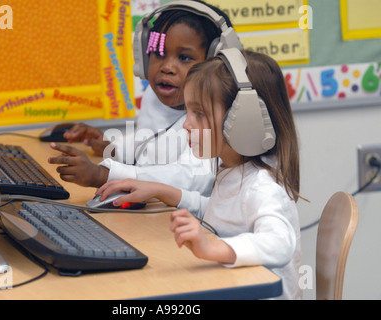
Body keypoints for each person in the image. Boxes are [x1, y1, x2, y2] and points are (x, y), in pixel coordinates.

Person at [97, 49, 304, 299]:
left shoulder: (263, 187)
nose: (187, 124)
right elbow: (222, 213)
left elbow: (280, 243)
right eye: (189, 112)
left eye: (200, 114)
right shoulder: (233, 170)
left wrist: (211, 247)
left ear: (242, 121)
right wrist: (162, 191)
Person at [47, 1, 239, 198]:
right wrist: (112, 147)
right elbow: (150, 145)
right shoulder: (155, 98)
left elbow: (194, 177)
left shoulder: (215, 116)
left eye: (184, 57)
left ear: (217, 62)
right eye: (159, 53)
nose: (167, 67)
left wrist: (105, 175)